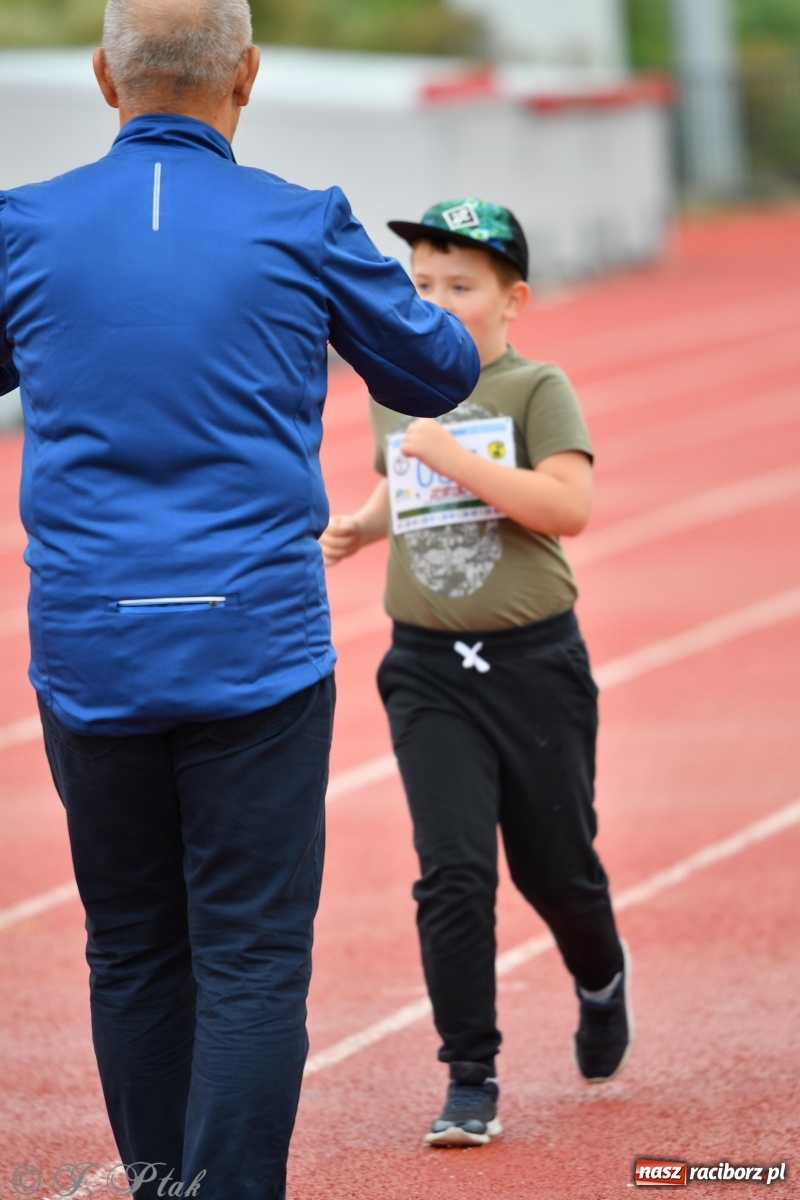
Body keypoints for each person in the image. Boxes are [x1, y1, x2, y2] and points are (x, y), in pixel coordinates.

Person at [0, 4, 480, 1195]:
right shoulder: (301, 223)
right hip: (253, 650)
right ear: (248, 77)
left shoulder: (23, 226)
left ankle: (161, 1184)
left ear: (106, 78)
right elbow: (441, 369)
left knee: (130, 950)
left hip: (91, 646)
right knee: (254, 962)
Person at [320, 197, 633, 1147]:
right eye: (421, 286)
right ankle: (469, 1076)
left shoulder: (537, 389)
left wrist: (455, 455)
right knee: (451, 874)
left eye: (461, 286)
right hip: (426, 670)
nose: (437, 301)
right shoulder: (394, 387)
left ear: (513, 298)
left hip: (533, 664)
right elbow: (399, 477)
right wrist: (365, 526)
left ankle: (600, 973)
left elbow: (566, 506)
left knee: (557, 870)